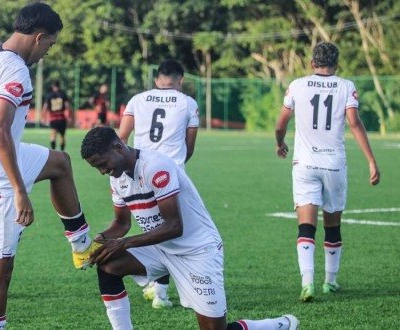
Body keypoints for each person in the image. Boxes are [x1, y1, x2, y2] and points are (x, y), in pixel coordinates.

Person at [0, 3, 95, 329]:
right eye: (50, 45)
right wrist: (19, 190)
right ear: (38, 37)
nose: (47, 52)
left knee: (59, 162)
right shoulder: (16, 70)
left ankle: (81, 244)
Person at [81, 126, 299, 330]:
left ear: (118, 147)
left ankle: (277, 325)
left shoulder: (155, 166)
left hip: (197, 250)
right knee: (108, 264)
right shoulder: (116, 178)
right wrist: (97, 241)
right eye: (97, 167)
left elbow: (175, 226)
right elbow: (122, 223)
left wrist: (123, 243)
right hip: (161, 248)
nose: (102, 171)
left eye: (103, 163)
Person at [275, 42, 380, 302]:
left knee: (306, 225)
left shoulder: (297, 85)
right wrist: (371, 160)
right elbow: (354, 123)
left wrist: (280, 143)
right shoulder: (346, 86)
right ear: (336, 64)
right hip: (333, 165)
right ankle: (330, 282)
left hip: (304, 165)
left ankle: (307, 283)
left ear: (312, 63)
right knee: (332, 226)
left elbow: (281, 124)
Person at [118, 58, 199, 308]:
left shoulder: (137, 99)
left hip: (140, 169)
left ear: (157, 79)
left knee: (152, 227)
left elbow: (120, 139)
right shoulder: (188, 102)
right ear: (180, 80)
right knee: (173, 230)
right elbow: (189, 147)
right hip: (171, 172)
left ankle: (157, 287)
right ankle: (162, 292)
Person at [42, 80, 72, 150]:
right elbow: (68, 106)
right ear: (59, 86)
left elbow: (45, 108)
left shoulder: (49, 95)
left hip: (53, 118)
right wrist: (70, 117)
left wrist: (44, 117)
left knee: (53, 135)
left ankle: (53, 151)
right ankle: (62, 152)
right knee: (62, 136)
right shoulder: (63, 94)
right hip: (61, 118)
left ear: (53, 86)